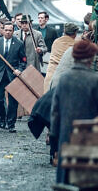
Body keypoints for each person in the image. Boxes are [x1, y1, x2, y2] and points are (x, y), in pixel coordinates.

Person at [50, 39, 98, 185]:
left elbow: (55, 113)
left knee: (65, 181)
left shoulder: (64, 79)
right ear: (91, 59)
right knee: (88, 181)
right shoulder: (95, 80)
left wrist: (54, 141)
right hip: (90, 138)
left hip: (66, 137)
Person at [0, 22, 27, 133]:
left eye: (10, 30)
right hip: (0, 75)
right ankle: (2, 116)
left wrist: (19, 70)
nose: (7, 32)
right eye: (5, 30)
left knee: (13, 102)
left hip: (13, 75)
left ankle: (11, 124)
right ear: (2, 30)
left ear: (13, 31)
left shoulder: (19, 43)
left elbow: (24, 60)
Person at [43, 23, 79, 92]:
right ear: (75, 33)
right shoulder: (76, 46)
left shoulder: (56, 42)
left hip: (50, 78)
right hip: (65, 81)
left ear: (64, 31)